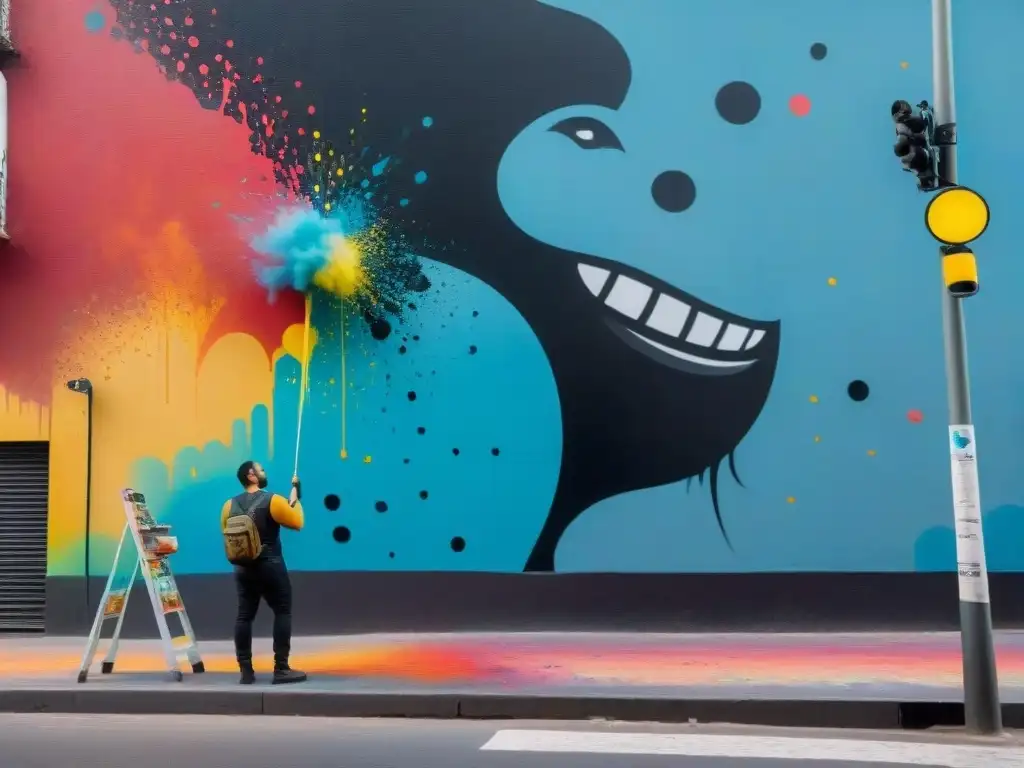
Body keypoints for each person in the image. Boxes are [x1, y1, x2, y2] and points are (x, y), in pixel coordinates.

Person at [221, 460, 307, 685]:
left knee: (244, 616)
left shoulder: (228, 505)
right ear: (251, 475)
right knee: (282, 611)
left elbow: (226, 532)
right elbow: (297, 522)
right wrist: (296, 495)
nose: (264, 472)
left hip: (242, 568)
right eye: (261, 469)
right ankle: (281, 668)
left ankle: (246, 671)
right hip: (270, 566)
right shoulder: (273, 500)